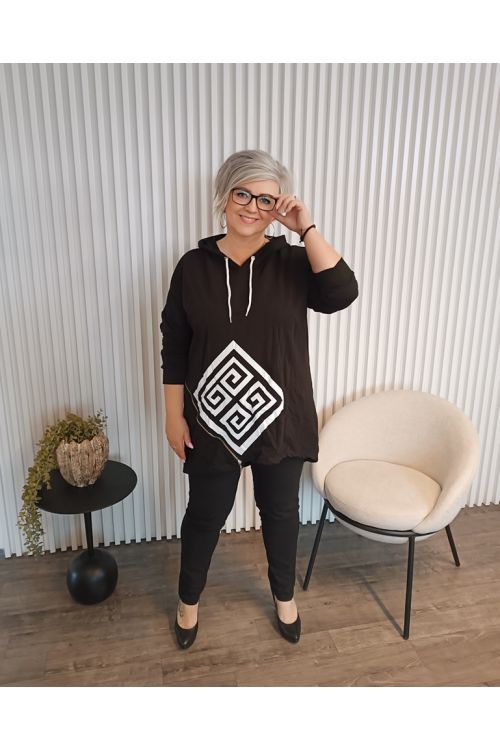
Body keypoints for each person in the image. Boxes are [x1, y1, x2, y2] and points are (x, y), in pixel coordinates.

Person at [160, 149, 358, 649]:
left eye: (266, 199)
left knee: (281, 512)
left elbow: (342, 292)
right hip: (210, 419)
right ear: (224, 196)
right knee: (205, 514)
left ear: (277, 206)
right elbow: (174, 343)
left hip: (280, 416)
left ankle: (284, 597)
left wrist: (305, 228)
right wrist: (172, 415)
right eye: (243, 193)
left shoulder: (293, 262)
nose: (252, 206)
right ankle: (188, 600)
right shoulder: (192, 266)